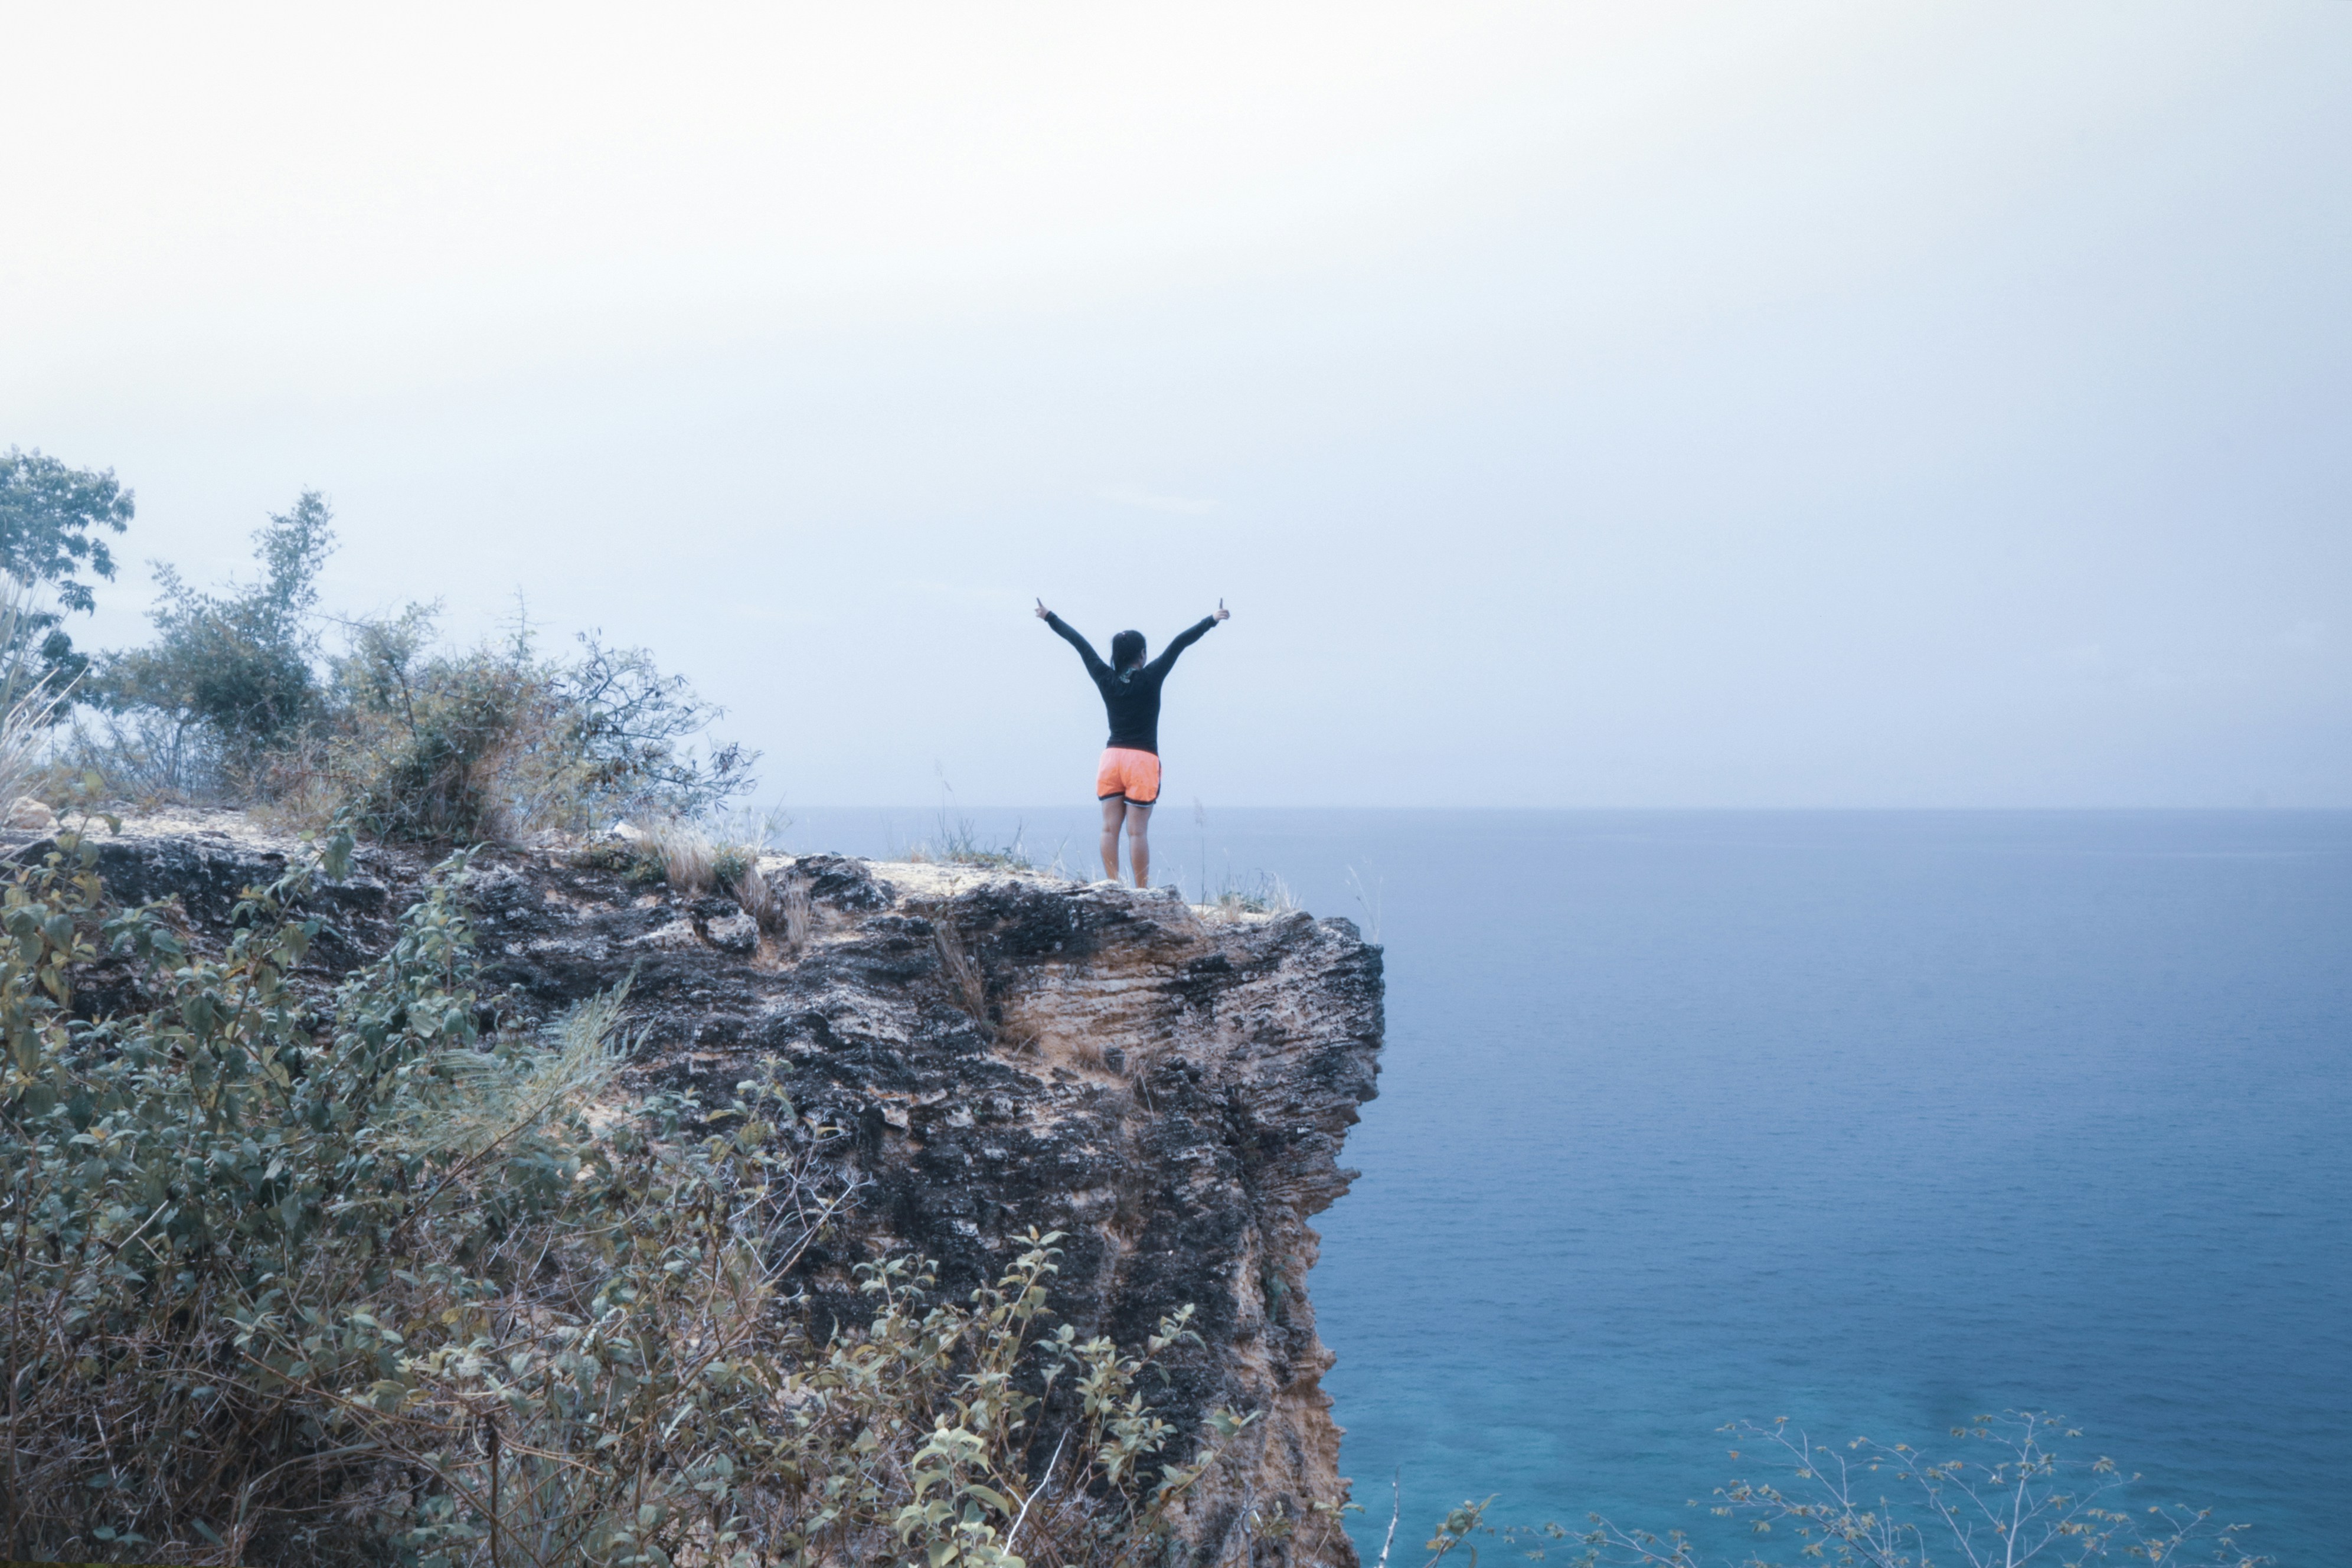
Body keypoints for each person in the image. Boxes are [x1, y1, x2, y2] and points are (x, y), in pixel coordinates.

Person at [1035, 596, 1230, 887]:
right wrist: (1212, 620)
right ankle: (1141, 891)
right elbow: (1180, 643)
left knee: (1109, 829)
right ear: (1142, 654)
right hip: (1142, 759)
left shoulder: (1105, 677)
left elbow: (1079, 643)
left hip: (1112, 759)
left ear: (1116, 655)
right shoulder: (1151, 676)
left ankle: (1112, 886)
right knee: (1137, 832)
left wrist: (1049, 616)